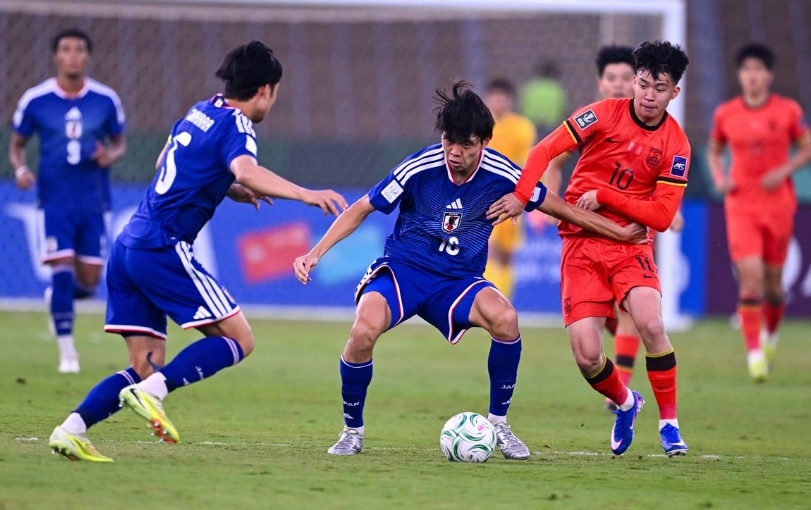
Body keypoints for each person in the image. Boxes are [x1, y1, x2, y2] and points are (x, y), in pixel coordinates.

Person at [293, 81, 647, 458]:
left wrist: (620, 232)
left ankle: (499, 426)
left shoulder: (504, 174)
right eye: (449, 141)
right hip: (405, 269)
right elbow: (362, 207)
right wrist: (316, 252)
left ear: (484, 142)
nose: (455, 152)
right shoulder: (420, 166)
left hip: (457, 281)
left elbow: (562, 208)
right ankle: (352, 431)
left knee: (506, 319)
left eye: (466, 144)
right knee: (363, 329)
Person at [47, 41, 348, 462]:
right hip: (162, 246)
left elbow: (164, 163)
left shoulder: (200, 110)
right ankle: (153, 394)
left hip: (129, 243)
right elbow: (245, 168)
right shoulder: (239, 124)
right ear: (265, 90)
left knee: (145, 363)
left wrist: (228, 187)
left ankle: (71, 429)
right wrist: (303, 193)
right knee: (238, 339)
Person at [487, 40, 691, 457]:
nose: (649, 95)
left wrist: (606, 196)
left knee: (651, 323)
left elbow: (661, 214)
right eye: (645, 84)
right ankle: (626, 402)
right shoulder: (601, 113)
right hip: (580, 243)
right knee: (586, 355)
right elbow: (544, 150)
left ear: (675, 93)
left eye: (661, 87)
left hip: (631, 245)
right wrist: (522, 197)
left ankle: (669, 425)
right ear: (634, 81)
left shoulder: (677, 146)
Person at [545, 45, 685, 412]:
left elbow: (662, 193)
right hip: (584, 237)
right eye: (616, 79)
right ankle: (623, 397)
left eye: (628, 78)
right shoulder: (596, 119)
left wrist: (667, 211)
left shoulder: (668, 137)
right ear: (602, 83)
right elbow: (552, 157)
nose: (624, 85)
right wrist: (546, 200)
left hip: (629, 237)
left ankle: (625, 390)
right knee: (589, 348)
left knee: (638, 315)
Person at [9, 29, 127, 374]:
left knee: (89, 283)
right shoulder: (36, 99)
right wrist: (20, 170)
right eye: (65, 49)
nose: (72, 55)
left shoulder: (105, 99)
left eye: (79, 49)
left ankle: (57, 303)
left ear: (87, 56)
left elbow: (120, 143)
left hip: (93, 202)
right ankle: (68, 353)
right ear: (56, 57)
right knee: (61, 273)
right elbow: (17, 145)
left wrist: (111, 155)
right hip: (54, 201)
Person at [708, 43, 811, 382]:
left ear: (769, 75)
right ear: (740, 75)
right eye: (746, 70)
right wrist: (720, 179)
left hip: (778, 205)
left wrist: (785, 171)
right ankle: (753, 354)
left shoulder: (788, 111)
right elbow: (714, 149)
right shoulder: (726, 113)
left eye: (758, 70)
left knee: (774, 286)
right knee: (749, 280)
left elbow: (807, 148)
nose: (752, 76)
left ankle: (771, 338)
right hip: (740, 205)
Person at [482, 78, 537, 299]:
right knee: (486, 247)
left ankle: (502, 299)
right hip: (480, 195)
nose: (498, 101)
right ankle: (483, 298)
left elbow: (528, 161)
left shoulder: (522, 127)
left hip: (511, 196)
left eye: (502, 97)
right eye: (494, 96)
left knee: (506, 254)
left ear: (510, 100)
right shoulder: (480, 124)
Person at [519, 60, 568, 136]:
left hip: (531, 124)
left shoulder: (531, 87)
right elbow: (563, 109)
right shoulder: (557, 89)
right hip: (550, 125)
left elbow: (522, 105)